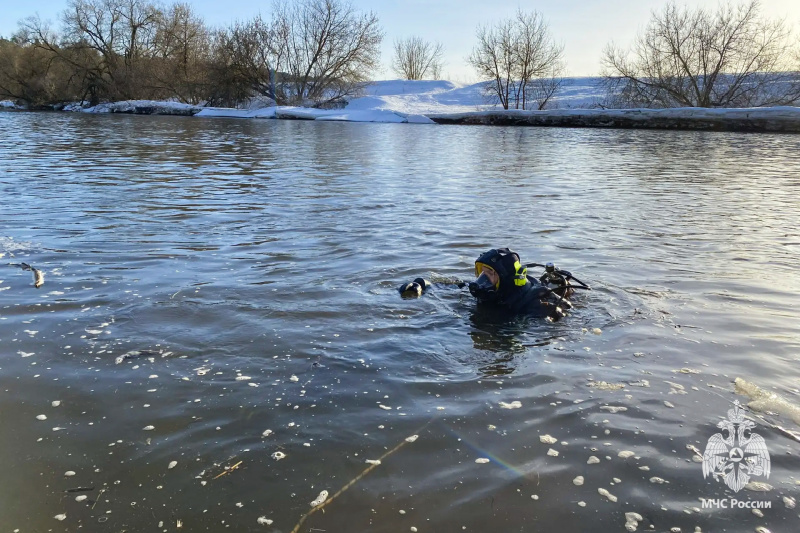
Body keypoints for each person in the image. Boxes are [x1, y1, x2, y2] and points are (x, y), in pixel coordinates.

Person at [468, 248, 575, 319]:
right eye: (481, 272)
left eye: (490, 273)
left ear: (505, 278)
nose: (483, 278)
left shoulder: (533, 305)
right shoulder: (491, 295)